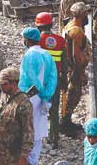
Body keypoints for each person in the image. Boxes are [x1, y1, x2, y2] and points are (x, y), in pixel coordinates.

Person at [0, 66, 35, 165]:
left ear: (14, 83)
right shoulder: (4, 95)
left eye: (4, 84)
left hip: (12, 154)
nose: (1, 86)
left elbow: (28, 133)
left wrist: (23, 157)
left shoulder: (23, 104)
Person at [19, 27, 57, 165]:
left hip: (30, 97)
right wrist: (47, 96)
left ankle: (26, 160)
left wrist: (40, 92)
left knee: (27, 129)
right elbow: (53, 78)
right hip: (43, 99)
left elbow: (31, 77)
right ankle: (33, 160)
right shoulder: (47, 54)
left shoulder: (29, 55)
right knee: (39, 130)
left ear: (27, 40)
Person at [36, 12, 67, 147]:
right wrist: (64, 79)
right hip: (56, 79)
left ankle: (37, 136)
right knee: (54, 109)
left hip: (41, 80)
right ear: (51, 25)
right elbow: (65, 63)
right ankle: (54, 139)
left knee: (37, 108)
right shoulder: (60, 40)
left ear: (38, 27)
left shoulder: (36, 40)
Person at [61, 2, 92, 136]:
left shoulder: (70, 26)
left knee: (71, 94)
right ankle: (65, 122)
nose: (87, 16)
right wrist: (81, 74)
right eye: (86, 13)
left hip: (70, 67)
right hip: (74, 70)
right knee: (74, 95)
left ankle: (66, 120)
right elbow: (76, 55)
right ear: (81, 15)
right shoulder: (77, 31)